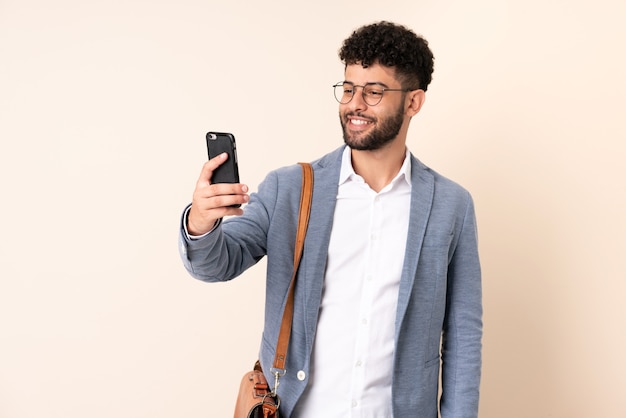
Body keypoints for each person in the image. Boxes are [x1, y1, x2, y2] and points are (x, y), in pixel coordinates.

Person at [179, 21, 482, 418]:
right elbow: (215, 264)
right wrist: (202, 221)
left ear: (413, 102)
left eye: (374, 92)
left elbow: (462, 337)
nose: (355, 104)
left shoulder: (450, 205)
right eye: (349, 88)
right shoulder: (290, 188)